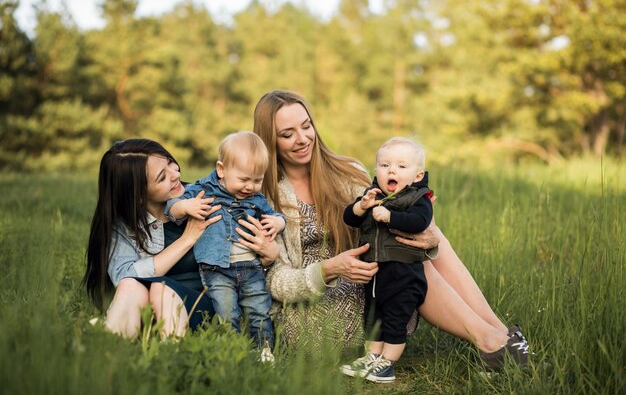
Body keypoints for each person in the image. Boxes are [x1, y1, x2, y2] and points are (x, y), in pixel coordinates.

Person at [247, 90, 530, 380]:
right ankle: (493, 344)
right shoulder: (263, 197)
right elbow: (275, 281)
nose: (303, 138)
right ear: (271, 141)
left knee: (423, 235)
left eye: (306, 126)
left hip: (370, 284)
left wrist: (429, 239)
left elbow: (388, 218)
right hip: (312, 311)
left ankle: (502, 336)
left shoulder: (346, 171)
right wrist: (330, 268)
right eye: (287, 134)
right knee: (403, 260)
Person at [83, 138, 280, 340]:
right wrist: (187, 239)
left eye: (170, 163)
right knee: (131, 284)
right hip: (151, 307)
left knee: (161, 289)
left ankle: (173, 358)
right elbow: (125, 278)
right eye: (162, 177)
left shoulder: (205, 197)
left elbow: (245, 258)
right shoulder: (123, 227)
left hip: (213, 301)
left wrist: (270, 255)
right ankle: (110, 351)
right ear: (138, 195)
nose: (176, 174)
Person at [165, 131, 285, 361]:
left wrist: (278, 222)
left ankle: (264, 351)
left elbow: (276, 215)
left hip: (251, 267)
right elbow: (171, 208)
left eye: (257, 180)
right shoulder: (203, 190)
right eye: (243, 179)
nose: (250, 186)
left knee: (259, 308)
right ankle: (231, 352)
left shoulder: (257, 199)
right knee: (226, 311)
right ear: (222, 170)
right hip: (216, 269)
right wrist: (186, 207)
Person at [341, 137, 434, 382]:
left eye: (402, 166)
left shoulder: (418, 199)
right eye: (385, 165)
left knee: (394, 319)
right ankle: (371, 357)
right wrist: (361, 207)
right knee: (373, 317)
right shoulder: (372, 196)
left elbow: (419, 222)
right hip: (374, 275)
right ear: (376, 171)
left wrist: (391, 217)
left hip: (404, 275)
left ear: (417, 175)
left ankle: (387, 363)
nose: (391, 170)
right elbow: (350, 219)